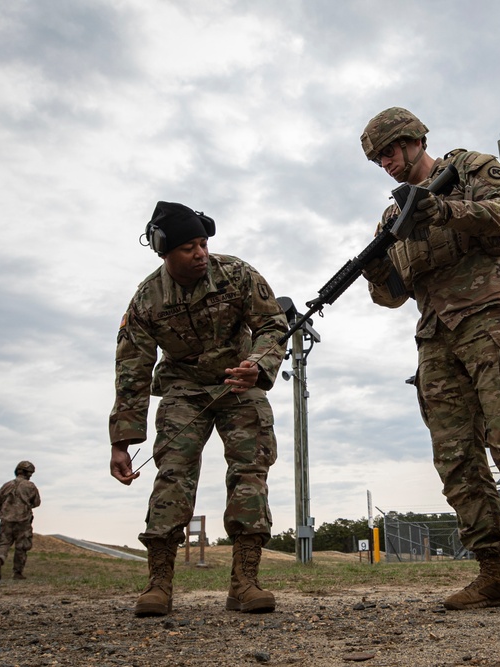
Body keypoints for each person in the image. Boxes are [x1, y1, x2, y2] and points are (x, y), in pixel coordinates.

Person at [359, 107, 500, 612]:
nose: (386, 162)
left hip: (491, 320)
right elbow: (393, 295)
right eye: (378, 158)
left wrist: (445, 211)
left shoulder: (472, 170)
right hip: (435, 336)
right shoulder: (391, 218)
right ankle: (492, 574)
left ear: (413, 140)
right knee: (456, 457)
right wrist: (373, 272)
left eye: (390, 150)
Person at [108, 201, 289, 617]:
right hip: (183, 389)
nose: (200, 253)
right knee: (173, 475)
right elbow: (131, 370)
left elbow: (272, 324)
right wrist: (122, 442)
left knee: (250, 474)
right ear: (163, 251)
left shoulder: (237, 274)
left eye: (203, 243)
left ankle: (245, 582)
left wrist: (258, 366)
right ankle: (159, 584)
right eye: (189, 246)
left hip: (238, 382)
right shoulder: (147, 300)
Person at [0, 461, 41, 580]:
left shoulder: (6, 485)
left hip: (6, 520)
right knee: (22, 547)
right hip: (23, 521)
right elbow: (36, 502)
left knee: (3, 543)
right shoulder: (30, 486)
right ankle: (17, 573)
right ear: (28, 473)